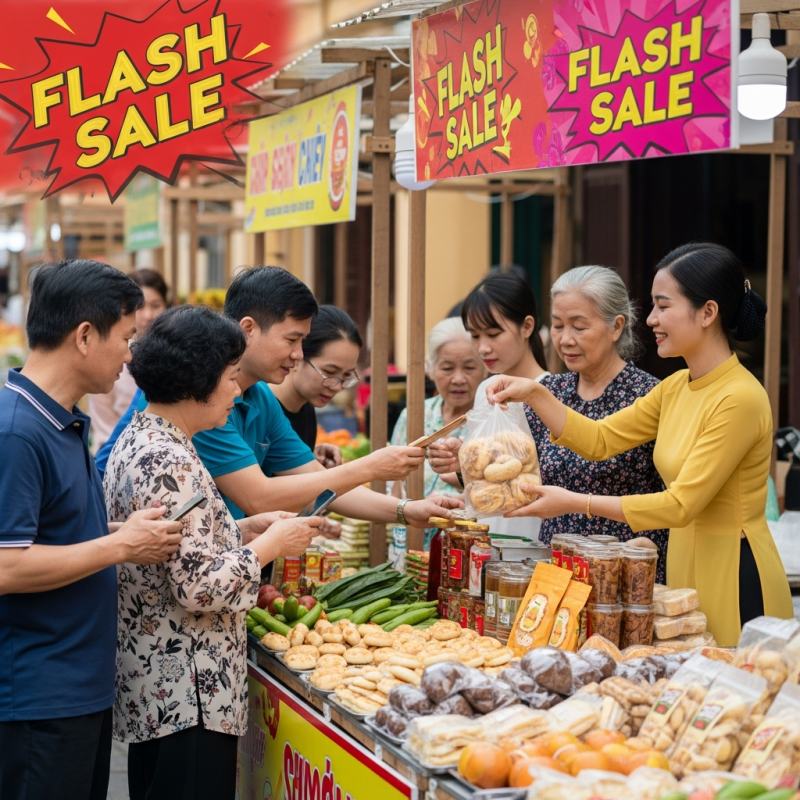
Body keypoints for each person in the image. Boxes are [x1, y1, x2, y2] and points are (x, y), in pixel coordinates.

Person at [488, 243, 794, 645]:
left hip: (734, 571)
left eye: (663, 306)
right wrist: (536, 393)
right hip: (684, 567)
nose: (650, 319)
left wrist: (575, 501)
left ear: (707, 313)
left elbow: (681, 504)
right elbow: (599, 439)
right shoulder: (674, 388)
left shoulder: (739, 396)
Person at [104, 305, 320, 800]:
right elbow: (199, 586)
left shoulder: (143, 436)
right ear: (196, 381)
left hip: (160, 685)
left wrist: (243, 529)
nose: (236, 390)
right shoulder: (171, 459)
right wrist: (271, 544)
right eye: (228, 377)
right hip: (188, 691)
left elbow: (179, 544)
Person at [0, 260, 184, 800]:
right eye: (126, 338)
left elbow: (50, 533)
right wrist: (116, 545)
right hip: (38, 698)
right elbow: (7, 564)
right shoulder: (17, 431)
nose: (130, 355)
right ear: (84, 336)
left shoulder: (59, 418)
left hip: (77, 690)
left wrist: (120, 531)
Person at [124, 267, 461, 527]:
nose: (299, 355)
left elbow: (313, 478)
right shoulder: (199, 401)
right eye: (292, 340)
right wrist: (370, 466)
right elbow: (259, 497)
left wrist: (405, 510)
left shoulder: (258, 396)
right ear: (247, 328)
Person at [527, 267, 668, 581]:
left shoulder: (649, 396)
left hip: (625, 572)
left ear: (616, 326)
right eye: (559, 325)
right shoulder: (550, 394)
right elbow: (526, 470)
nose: (565, 339)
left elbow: (670, 499)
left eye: (579, 326)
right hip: (556, 571)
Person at [428, 272, 549, 537]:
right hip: (487, 538)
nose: (482, 348)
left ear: (527, 326)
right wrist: (461, 460)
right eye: (475, 336)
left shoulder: (550, 392)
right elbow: (483, 476)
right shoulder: (485, 389)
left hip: (531, 538)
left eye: (493, 334)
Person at [389, 318, 485, 547]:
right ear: (429, 368)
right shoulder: (413, 417)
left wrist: (460, 499)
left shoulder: (490, 420)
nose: (458, 378)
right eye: (447, 368)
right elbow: (393, 485)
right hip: (412, 544)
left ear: (485, 368)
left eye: (470, 367)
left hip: (468, 547)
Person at [270, 304, 362, 468]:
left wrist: (310, 458)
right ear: (298, 356)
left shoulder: (306, 408)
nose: (337, 387)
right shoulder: (264, 409)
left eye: (347, 376)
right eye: (329, 372)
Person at [88, 269, 169, 453]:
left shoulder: (177, 358)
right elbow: (105, 432)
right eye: (140, 307)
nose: (148, 315)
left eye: (156, 305)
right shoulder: (108, 360)